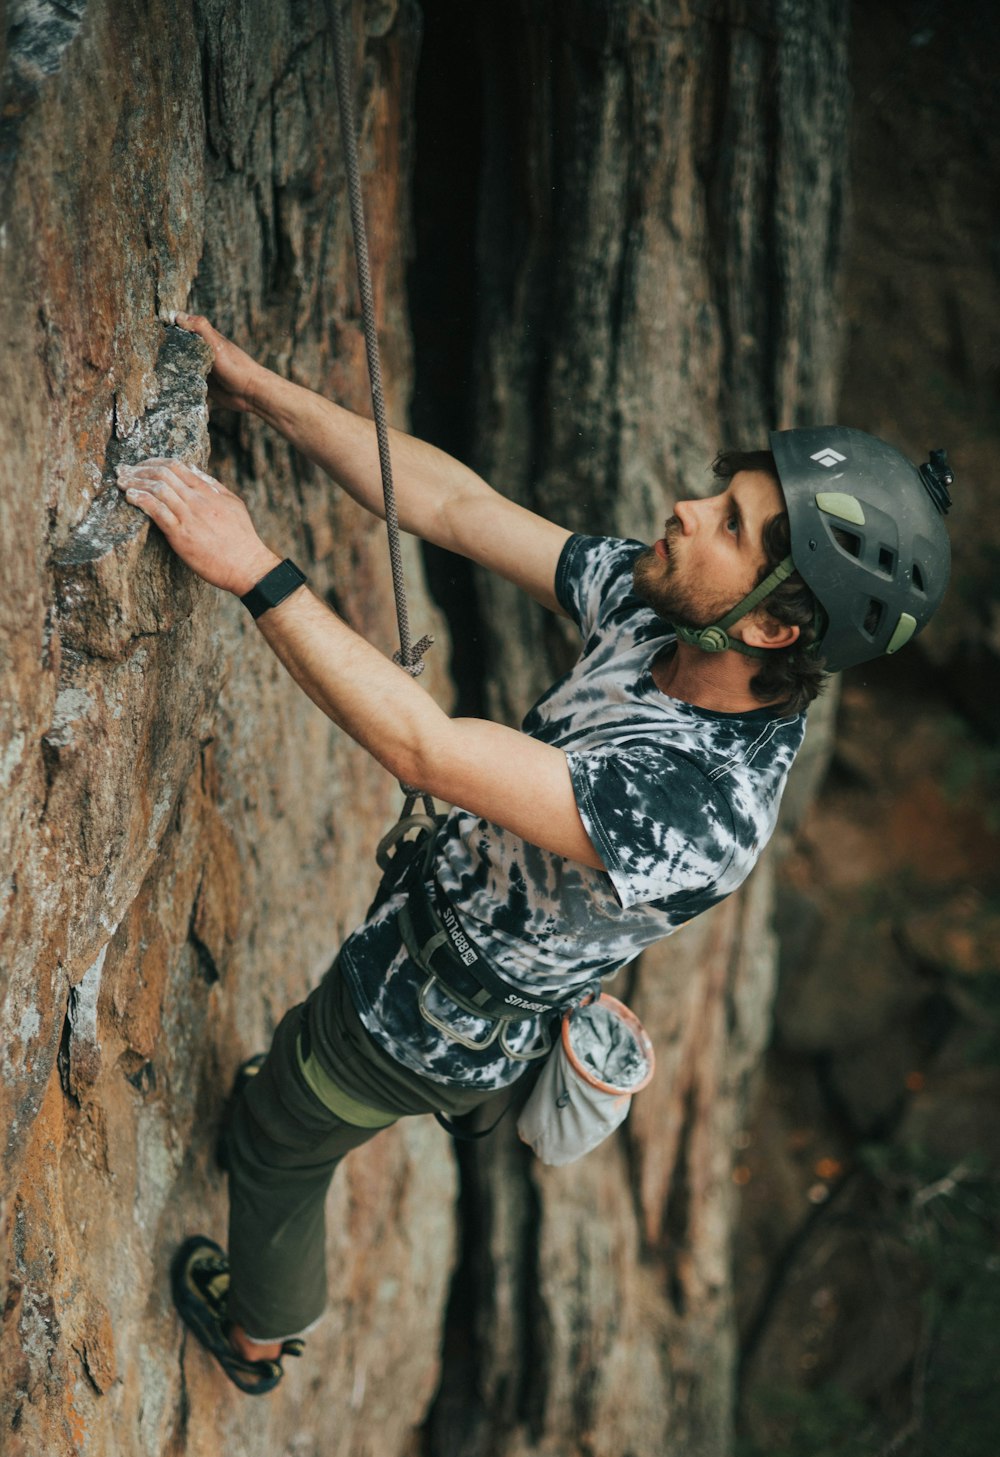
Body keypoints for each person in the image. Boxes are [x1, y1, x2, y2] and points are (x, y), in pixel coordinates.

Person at [118, 313, 952, 1394]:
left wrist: (252, 569)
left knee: (278, 1139)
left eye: (732, 524)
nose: (687, 510)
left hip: (419, 1019)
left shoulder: (700, 802)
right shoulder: (671, 616)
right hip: (433, 941)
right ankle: (307, 1083)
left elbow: (427, 745)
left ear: (773, 627)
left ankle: (261, 1332)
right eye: (722, 494)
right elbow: (459, 509)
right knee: (301, 1072)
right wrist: (259, 388)